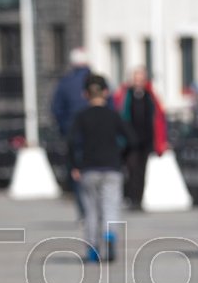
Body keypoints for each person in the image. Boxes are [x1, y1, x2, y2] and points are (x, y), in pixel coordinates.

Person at [67, 74, 135, 262]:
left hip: (89, 168)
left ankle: (92, 249)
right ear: (106, 92)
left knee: (90, 211)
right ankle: (109, 234)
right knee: (110, 206)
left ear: (85, 94)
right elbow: (131, 139)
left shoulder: (81, 117)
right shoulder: (114, 116)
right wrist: (122, 157)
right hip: (112, 166)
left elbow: (71, 142)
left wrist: (75, 165)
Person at [115, 67, 167, 211]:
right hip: (130, 141)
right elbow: (121, 116)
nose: (138, 82)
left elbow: (158, 117)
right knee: (130, 168)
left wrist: (160, 140)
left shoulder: (150, 95)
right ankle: (130, 197)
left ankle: (138, 200)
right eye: (136, 79)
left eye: (141, 79)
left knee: (142, 170)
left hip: (145, 139)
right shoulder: (127, 95)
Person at [51, 48, 92, 221]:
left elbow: (56, 108)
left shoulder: (65, 83)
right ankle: (96, 208)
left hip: (73, 134)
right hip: (95, 133)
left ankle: (83, 209)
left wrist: (64, 128)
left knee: (77, 171)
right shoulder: (97, 81)